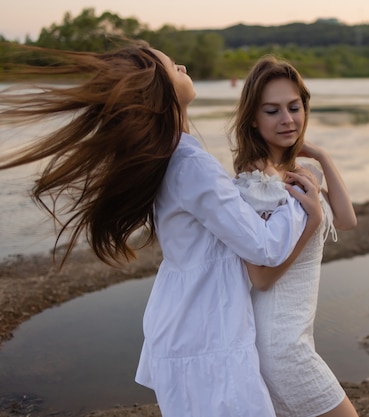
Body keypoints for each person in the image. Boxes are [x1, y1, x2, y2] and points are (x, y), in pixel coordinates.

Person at [0, 42, 323, 417]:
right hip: (206, 330)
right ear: (161, 88)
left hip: (188, 324)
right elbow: (264, 248)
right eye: (173, 66)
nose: (183, 64)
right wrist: (303, 207)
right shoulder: (190, 164)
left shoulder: (170, 157)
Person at [228, 55, 359, 417]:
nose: (287, 120)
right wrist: (312, 223)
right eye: (272, 111)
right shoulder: (258, 185)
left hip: (293, 336)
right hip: (280, 344)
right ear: (253, 119)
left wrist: (320, 155)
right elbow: (261, 277)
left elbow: (347, 219)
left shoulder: (295, 172)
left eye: (294, 107)